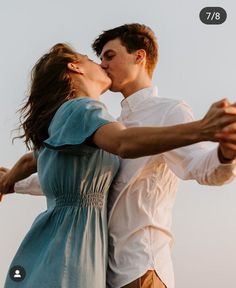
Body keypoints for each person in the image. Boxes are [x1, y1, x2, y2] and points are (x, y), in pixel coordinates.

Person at [1, 24, 236, 288]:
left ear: (139, 56)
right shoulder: (108, 124)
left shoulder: (168, 112)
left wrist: (225, 152)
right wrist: (12, 183)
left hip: (141, 267)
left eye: (109, 56)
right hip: (100, 272)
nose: (102, 64)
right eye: (99, 58)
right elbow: (76, 180)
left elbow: (200, 167)